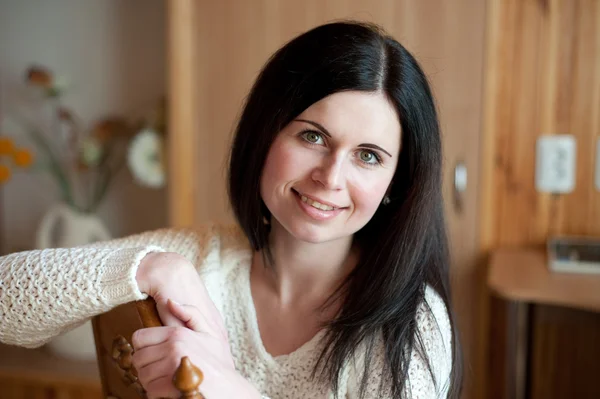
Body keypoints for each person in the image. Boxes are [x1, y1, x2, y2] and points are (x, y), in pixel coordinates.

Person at [0, 21, 462, 398]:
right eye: (312, 136)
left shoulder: (413, 327)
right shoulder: (203, 261)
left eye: (368, 156)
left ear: (394, 183)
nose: (331, 177)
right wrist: (151, 267)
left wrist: (232, 390)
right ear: (264, 136)